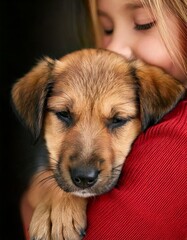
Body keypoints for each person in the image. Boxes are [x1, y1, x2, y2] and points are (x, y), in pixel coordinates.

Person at [21, 0, 187, 239]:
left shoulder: (175, 140)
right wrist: (53, 191)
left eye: (143, 23)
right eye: (107, 28)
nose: (114, 50)